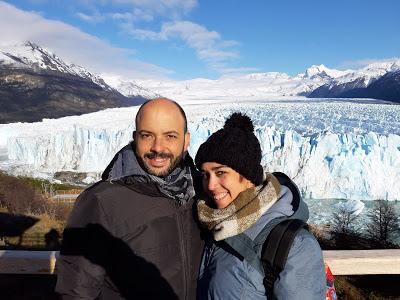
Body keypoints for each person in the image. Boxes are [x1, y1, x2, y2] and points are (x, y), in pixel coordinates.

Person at [56, 98, 203, 300]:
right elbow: (76, 291)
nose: (158, 147)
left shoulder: (203, 191)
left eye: (170, 136)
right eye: (147, 135)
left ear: (186, 141)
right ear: (136, 138)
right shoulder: (102, 200)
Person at [195, 113, 325, 299]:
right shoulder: (209, 222)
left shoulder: (294, 246)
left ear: (248, 176)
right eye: (205, 174)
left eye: (221, 172)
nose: (210, 185)